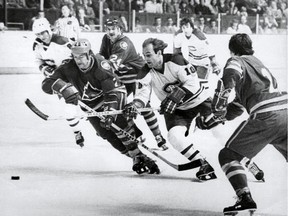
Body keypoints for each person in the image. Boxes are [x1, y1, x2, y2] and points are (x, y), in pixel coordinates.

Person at [41, 38, 160, 175]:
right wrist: (61, 87)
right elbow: (46, 85)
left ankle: (135, 149)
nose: (78, 60)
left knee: (117, 124)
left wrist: (109, 113)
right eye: (75, 56)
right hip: (90, 105)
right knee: (105, 133)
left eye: (81, 56)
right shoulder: (68, 67)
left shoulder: (101, 66)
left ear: (89, 54)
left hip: (113, 95)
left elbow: (112, 94)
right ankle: (139, 157)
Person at [199, 33, 287, 214]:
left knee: (227, 155)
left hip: (267, 116)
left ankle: (244, 197)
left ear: (231, 51)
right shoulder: (258, 64)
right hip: (286, 111)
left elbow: (230, 76)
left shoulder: (236, 60)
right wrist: (219, 117)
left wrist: (218, 105)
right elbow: (239, 105)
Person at [123, 38, 218, 181]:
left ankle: (240, 159)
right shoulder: (144, 72)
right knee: (174, 137)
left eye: (148, 55)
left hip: (200, 102)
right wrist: (134, 106)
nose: (145, 58)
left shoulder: (176, 60)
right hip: (177, 110)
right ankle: (203, 163)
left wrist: (174, 98)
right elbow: (142, 96)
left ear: (159, 52)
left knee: (219, 131)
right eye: (143, 55)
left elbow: (193, 84)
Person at [99, 18, 167, 150]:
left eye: (113, 29)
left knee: (142, 106)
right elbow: (101, 56)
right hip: (123, 77)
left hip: (137, 75)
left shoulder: (123, 43)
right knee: (120, 106)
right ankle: (137, 134)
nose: (110, 31)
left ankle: (158, 136)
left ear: (120, 29)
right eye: (108, 29)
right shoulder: (106, 38)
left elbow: (110, 65)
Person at [32, 17, 85, 147]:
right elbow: (38, 61)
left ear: (49, 29)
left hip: (73, 74)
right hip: (59, 77)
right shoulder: (37, 45)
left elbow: (82, 52)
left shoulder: (62, 41)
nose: (41, 36)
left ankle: (81, 108)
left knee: (80, 105)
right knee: (45, 86)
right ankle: (77, 131)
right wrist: (45, 68)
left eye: (43, 32)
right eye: (38, 34)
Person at [174, 17, 221, 93]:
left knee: (201, 85)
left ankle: (205, 101)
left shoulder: (199, 35)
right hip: (192, 63)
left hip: (203, 64)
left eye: (187, 27)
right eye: (183, 27)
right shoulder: (180, 35)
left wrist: (214, 64)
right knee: (187, 83)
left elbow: (210, 49)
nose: (185, 29)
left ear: (191, 27)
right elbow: (177, 50)